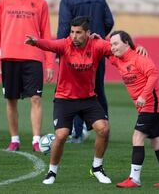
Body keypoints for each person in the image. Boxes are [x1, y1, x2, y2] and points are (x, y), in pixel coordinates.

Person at [25, 16, 113, 185]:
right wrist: (36, 42)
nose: (74, 36)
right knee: (62, 134)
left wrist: (135, 49)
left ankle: (97, 168)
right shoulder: (65, 44)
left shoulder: (97, 45)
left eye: (78, 32)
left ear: (87, 33)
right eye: (72, 32)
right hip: (64, 98)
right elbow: (50, 44)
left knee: (103, 129)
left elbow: (116, 49)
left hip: (88, 98)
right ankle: (52, 171)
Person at [108, 31, 159, 188]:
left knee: (137, 136)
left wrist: (143, 96)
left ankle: (134, 179)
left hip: (152, 104)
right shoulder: (118, 59)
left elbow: (153, 75)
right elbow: (101, 48)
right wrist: (96, 38)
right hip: (150, 106)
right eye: (111, 44)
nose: (112, 47)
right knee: (156, 141)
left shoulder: (139, 58)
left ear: (126, 42)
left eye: (115, 44)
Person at [0, 0, 55, 152]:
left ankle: (36, 141)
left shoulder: (40, 3)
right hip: (9, 58)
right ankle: (14, 140)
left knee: (36, 99)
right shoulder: (3, 1)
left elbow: (46, 34)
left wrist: (49, 64)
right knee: (11, 100)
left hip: (33, 58)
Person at [57, 0, 114, 143]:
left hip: (74, 52)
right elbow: (109, 21)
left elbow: (64, 25)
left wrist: (59, 53)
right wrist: (97, 38)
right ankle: (104, 126)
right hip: (97, 50)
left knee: (74, 90)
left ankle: (77, 131)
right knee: (98, 88)